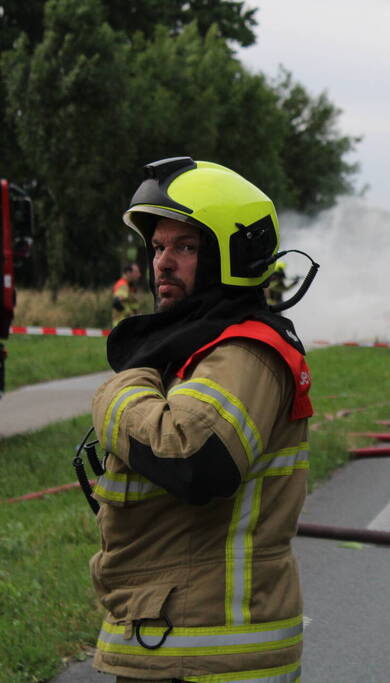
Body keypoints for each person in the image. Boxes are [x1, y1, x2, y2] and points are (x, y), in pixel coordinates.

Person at [88, 157, 313, 683]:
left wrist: (115, 393)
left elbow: (193, 458)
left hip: (210, 651)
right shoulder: (194, 346)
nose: (163, 262)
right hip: (173, 633)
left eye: (186, 247)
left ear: (231, 255)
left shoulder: (245, 352)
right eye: (159, 246)